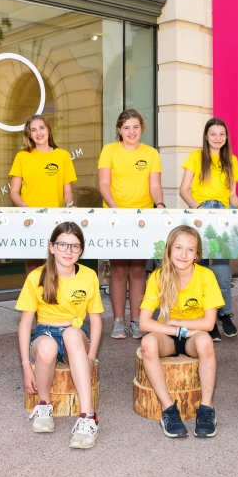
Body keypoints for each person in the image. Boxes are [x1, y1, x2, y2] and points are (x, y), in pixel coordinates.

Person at [17, 222, 103, 449]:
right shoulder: (37, 276)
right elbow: (25, 323)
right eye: (63, 245)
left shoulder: (89, 276)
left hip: (75, 332)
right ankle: (43, 405)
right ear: (52, 247)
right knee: (47, 348)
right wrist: (26, 366)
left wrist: (91, 357)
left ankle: (88, 416)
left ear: (81, 251)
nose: (69, 251)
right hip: (45, 331)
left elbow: (95, 320)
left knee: (73, 334)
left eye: (75, 247)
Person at [138, 226, 222, 438]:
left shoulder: (206, 276)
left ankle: (206, 408)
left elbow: (209, 323)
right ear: (168, 250)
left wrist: (181, 323)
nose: (183, 255)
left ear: (197, 254)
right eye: (178, 247)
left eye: (190, 249)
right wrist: (178, 329)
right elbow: (144, 322)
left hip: (194, 335)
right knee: (148, 343)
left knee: (206, 342)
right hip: (170, 334)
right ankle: (168, 409)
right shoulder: (158, 276)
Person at [98, 109, 164, 340]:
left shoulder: (151, 153)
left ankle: (137, 320)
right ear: (119, 130)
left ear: (141, 128)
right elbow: (104, 184)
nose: (131, 131)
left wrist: (160, 203)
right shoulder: (109, 150)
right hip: (116, 218)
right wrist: (115, 208)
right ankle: (118, 320)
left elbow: (154, 185)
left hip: (142, 219)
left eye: (135, 127)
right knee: (118, 269)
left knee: (137, 269)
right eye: (126, 127)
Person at [178, 117, 238, 342]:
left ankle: (224, 314)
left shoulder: (231, 160)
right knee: (201, 270)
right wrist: (198, 209)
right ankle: (207, 319)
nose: (218, 138)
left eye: (222, 134)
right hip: (200, 216)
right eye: (213, 134)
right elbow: (184, 190)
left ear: (226, 137)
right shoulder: (196, 158)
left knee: (223, 272)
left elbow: (232, 195)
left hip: (223, 218)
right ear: (206, 136)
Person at [9, 114, 78, 274]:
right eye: (33, 130)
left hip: (55, 219)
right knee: (32, 265)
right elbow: (14, 192)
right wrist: (24, 207)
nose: (38, 133)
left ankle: (53, 297)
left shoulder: (62, 156)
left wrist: (69, 205)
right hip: (30, 219)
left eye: (41, 128)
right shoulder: (22, 157)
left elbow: (67, 190)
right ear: (29, 134)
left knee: (55, 263)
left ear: (48, 129)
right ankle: (33, 298)